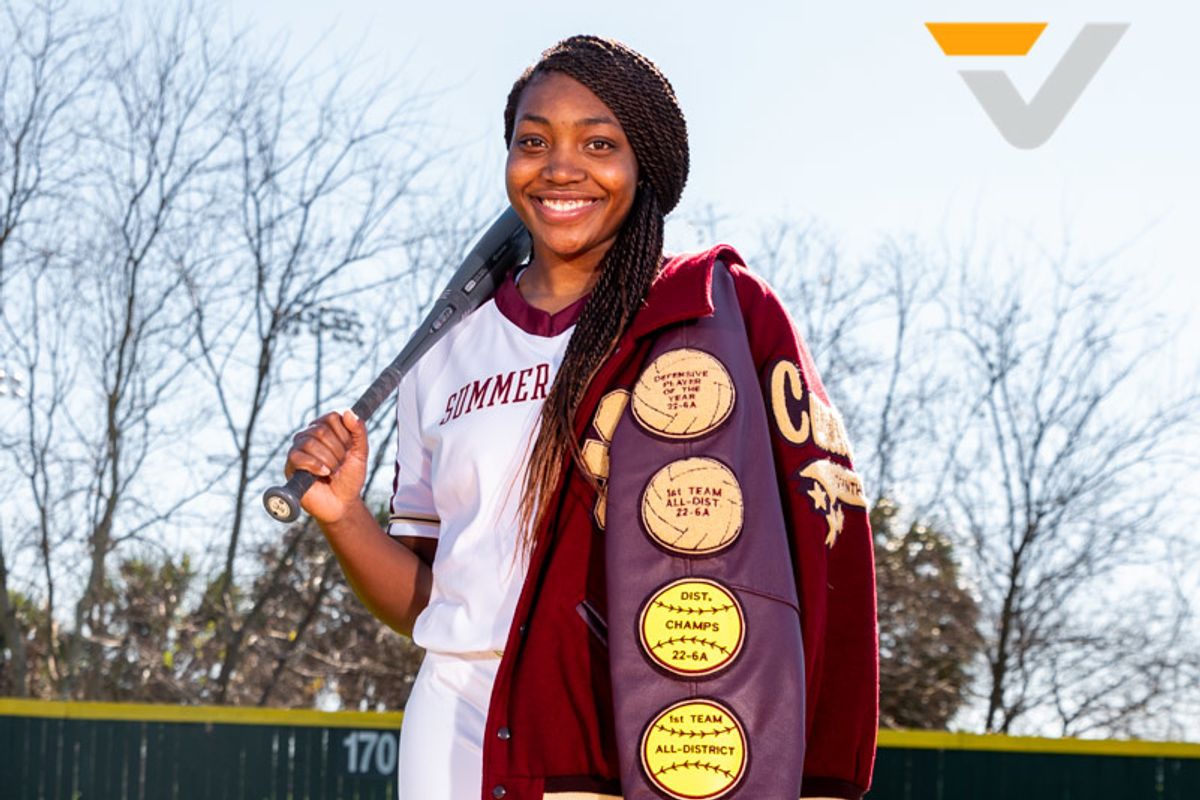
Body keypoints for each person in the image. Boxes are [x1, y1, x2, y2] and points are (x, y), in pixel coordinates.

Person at [284, 35, 877, 800]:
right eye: (534, 141)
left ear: (647, 166)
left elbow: (821, 545)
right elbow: (434, 602)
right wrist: (342, 517)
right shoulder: (444, 349)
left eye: (599, 142)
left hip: (633, 718)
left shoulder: (710, 317)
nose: (561, 168)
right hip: (456, 721)